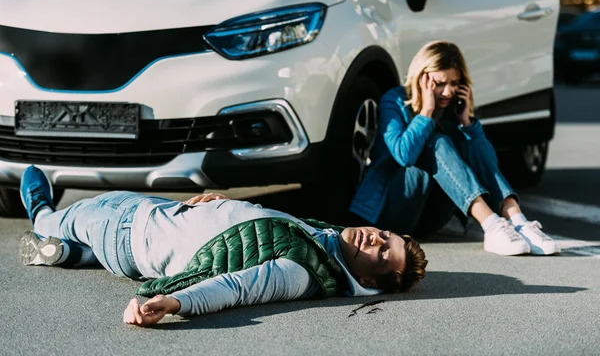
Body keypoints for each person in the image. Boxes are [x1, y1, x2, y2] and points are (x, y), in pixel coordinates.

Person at [18, 165, 428, 327]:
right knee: (84, 238)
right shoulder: (325, 239)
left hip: (127, 231)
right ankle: (72, 255)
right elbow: (255, 232)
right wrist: (223, 204)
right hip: (158, 213)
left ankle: (41, 216)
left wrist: (173, 302)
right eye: (384, 235)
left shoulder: (301, 272)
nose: (374, 238)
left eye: (380, 252)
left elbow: (236, 287)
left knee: (61, 217)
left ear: (366, 280)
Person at [350, 40, 557, 256]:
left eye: (454, 83)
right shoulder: (394, 101)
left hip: (432, 217)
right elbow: (404, 156)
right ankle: (492, 226)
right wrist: (426, 113)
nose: (448, 92)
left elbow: (487, 163)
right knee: (436, 141)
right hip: (392, 211)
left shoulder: (451, 109)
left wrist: (467, 122)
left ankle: (518, 220)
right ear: (422, 77)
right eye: (440, 83)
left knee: (468, 145)